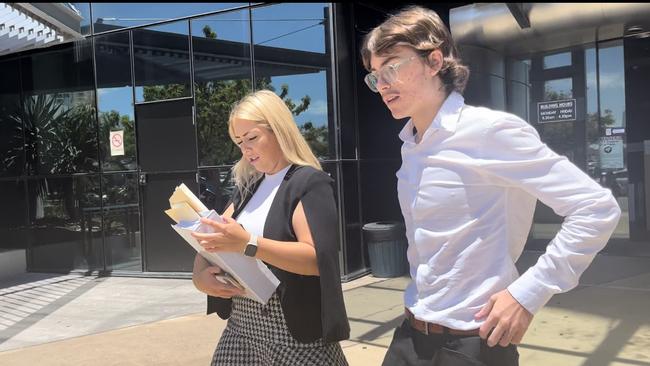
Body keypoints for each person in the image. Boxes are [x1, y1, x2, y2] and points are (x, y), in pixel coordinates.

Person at [360, 5, 621, 366]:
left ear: (434, 61)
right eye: (374, 75)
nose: (382, 83)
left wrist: (527, 294)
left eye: (391, 66)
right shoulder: (411, 146)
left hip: (472, 344)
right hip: (411, 333)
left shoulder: (489, 131)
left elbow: (596, 209)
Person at [190, 90, 350, 365]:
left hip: (293, 335)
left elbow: (316, 260)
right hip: (241, 329)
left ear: (279, 130)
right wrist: (200, 278)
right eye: (239, 142)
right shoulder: (248, 186)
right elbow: (212, 241)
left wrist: (248, 243)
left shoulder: (308, 182)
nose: (245, 149)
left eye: (252, 138)